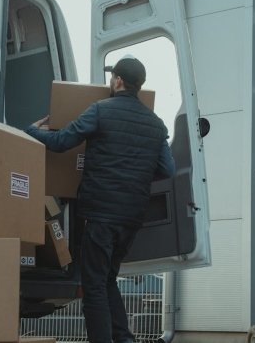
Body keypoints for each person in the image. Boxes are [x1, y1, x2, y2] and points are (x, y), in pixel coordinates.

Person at [25, 56, 175, 343]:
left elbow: (60, 143)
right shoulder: (156, 125)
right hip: (131, 218)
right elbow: (166, 170)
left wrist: (33, 131)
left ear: (117, 80)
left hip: (100, 214)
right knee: (107, 280)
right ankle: (125, 340)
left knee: (93, 285)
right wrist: (135, 175)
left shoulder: (101, 111)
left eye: (112, 77)